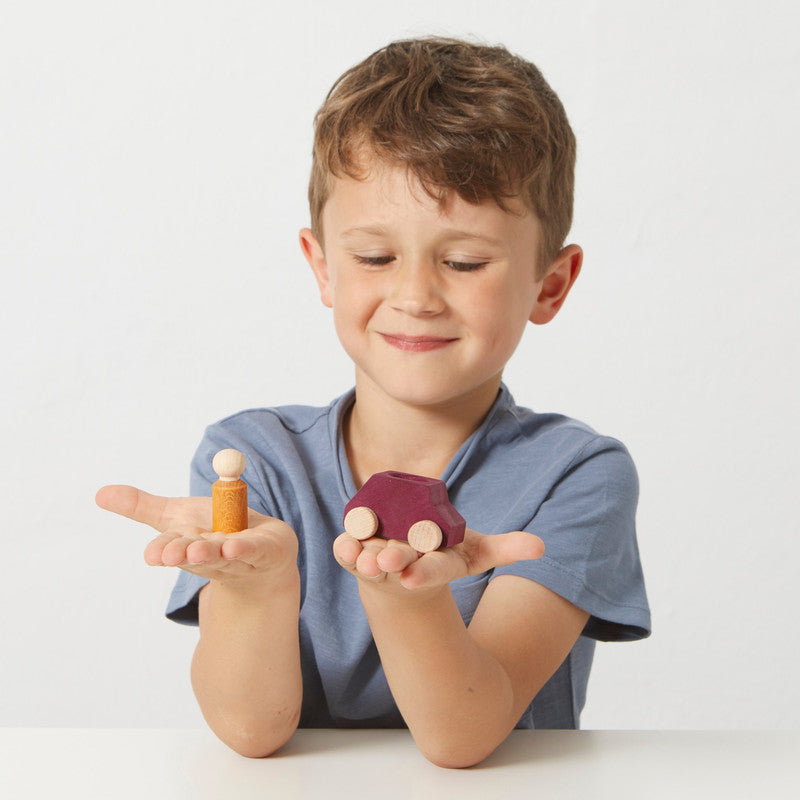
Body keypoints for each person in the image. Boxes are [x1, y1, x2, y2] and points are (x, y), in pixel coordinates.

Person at [96, 36, 650, 768]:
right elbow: (250, 730)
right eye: (374, 257)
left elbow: (462, 736)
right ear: (322, 267)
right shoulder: (254, 462)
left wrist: (405, 591)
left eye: (463, 261)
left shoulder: (577, 474)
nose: (415, 297)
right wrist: (258, 593)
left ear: (549, 285)